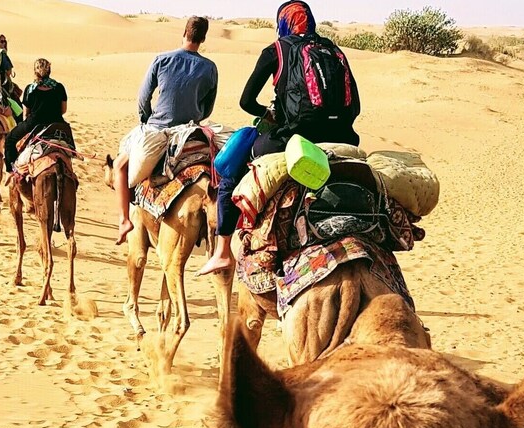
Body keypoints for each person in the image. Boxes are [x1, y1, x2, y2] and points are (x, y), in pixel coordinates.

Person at [197, 0, 361, 276]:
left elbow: (246, 101)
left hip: (294, 138)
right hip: (344, 138)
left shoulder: (277, 50)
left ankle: (222, 251)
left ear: (283, 24)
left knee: (231, 169)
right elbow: (354, 106)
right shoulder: (334, 51)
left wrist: (270, 114)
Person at [114, 16, 218, 245]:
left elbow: (143, 98)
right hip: (191, 130)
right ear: (203, 38)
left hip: (158, 128)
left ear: (184, 32)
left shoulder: (162, 60)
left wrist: (147, 120)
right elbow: (207, 108)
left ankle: (124, 220)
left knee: (119, 165)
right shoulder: (210, 68)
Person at [4, 58, 68, 174]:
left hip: (34, 124)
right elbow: (63, 110)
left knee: (9, 140)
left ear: (35, 72)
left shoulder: (30, 89)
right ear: (49, 71)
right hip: (56, 123)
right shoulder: (59, 87)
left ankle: (12, 171)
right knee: (68, 142)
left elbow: (25, 113)